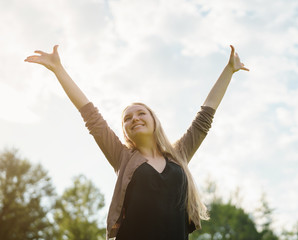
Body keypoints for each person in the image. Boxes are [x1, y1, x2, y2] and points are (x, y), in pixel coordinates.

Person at [25, 44, 249, 240]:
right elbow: (90, 114)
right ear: (125, 131)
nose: (135, 119)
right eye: (127, 119)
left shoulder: (178, 154)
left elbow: (205, 116)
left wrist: (229, 70)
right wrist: (57, 69)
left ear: (154, 120)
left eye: (141, 113)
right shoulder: (123, 158)